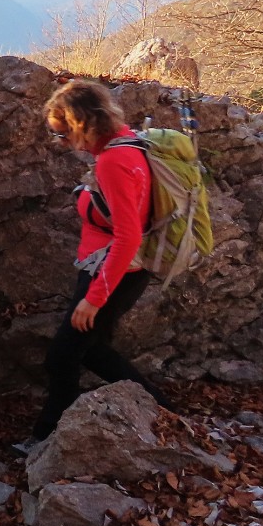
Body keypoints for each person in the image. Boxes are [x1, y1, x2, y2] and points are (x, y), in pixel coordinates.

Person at [28, 79, 172, 442]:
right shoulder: (129, 141)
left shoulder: (114, 161)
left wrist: (94, 298)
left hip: (112, 272)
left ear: (82, 126)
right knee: (93, 352)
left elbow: (129, 235)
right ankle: (164, 411)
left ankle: (47, 436)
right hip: (116, 269)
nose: (59, 141)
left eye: (61, 132)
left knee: (61, 357)